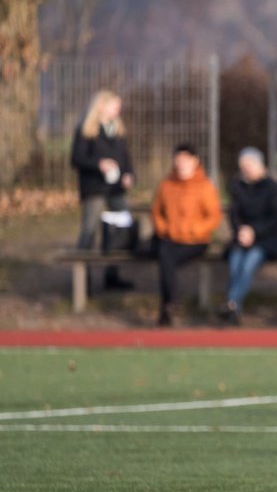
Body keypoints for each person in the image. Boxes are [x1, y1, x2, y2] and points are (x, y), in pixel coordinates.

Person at [69, 90, 135, 290]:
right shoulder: (87, 129)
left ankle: (112, 274)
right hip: (95, 188)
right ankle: (83, 280)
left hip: (115, 190)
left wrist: (129, 174)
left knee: (120, 228)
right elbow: (76, 159)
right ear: (102, 105)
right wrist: (99, 164)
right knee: (89, 232)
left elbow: (126, 158)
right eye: (115, 105)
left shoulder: (117, 130)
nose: (119, 109)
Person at [151, 144, 222, 327]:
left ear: (195, 161)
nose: (181, 164)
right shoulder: (167, 185)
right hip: (171, 238)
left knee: (166, 257)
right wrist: (164, 228)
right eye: (178, 160)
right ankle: (171, 304)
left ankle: (168, 306)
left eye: (185, 160)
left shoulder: (204, 186)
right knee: (165, 254)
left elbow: (213, 216)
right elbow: (156, 212)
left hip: (196, 241)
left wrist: (195, 230)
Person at [220, 147, 277, 325]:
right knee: (235, 265)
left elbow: (274, 217)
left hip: (265, 240)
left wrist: (254, 231)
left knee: (248, 265)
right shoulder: (238, 186)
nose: (246, 169)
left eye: (249, 165)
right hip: (241, 239)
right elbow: (234, 214)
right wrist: (241, 231)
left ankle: (231, 303)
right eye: (243, 166)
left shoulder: (272, 187)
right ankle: (234, 308)